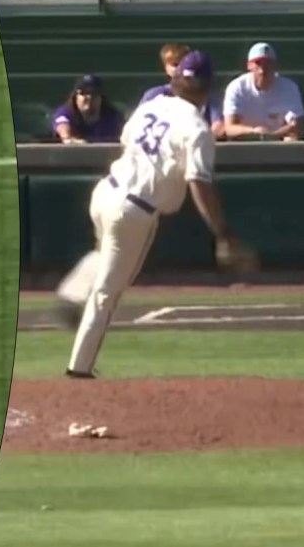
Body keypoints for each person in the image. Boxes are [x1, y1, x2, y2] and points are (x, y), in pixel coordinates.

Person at [53, 51, 253, 377]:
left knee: (104, 256)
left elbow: (126, 139)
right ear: (206, 89)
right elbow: (199, 184)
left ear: (175, 81)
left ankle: (73, 291)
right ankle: (79, 369)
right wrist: (222, 233)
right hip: (134, 210)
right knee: (108, 292)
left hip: (105, 192)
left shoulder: (151, 105)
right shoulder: (197, 129)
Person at [138, 42, 225, 139]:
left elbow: (218, 128)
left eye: (183, 64)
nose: (179, 69)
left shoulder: (210, 96)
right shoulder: (153, 95)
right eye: (175, 65)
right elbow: (139, 126)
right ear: (165, 68)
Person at [221, 42, 304, 141]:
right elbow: (230, 128)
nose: (263, 69)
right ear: (249, 66)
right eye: (258, 63)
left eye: (267, 63)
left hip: (278, 144)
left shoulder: (289, 88)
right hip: (245, 143)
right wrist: (255, 132)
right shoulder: (236, 87)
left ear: (275, 66)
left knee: (292, 140)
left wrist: (272, 135)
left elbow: (298, 126)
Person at [52, 74, 126, 144]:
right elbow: (62, 125)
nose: (89, 97)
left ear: (101, 97)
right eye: (83, 93)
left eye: (94, 93)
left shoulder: (112, 117)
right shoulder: (66, 112)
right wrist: (69, 139)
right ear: (75, 96)